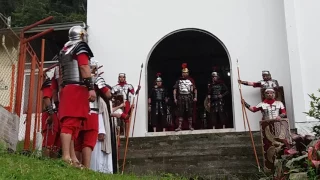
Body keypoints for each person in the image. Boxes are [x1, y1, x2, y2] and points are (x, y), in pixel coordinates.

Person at [58, 25, 96, 168]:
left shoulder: (65, 48)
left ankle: (73, 157)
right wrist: (91, 88)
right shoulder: (80, 47)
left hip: (67, 88)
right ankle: (66, 156)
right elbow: (84, 67)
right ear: (82, 36)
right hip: (77, 88)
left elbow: (61, 72)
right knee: (70, 123)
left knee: (74, 125)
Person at [75, 60, 111, 168]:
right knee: (88, 142)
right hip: (92, 113)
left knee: (77, 143)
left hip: (78, 113)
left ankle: (75, 168)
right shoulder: (97, 79)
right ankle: (86, 168)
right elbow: (108, 95)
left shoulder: (77, 78)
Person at [41, 69, 60, 158]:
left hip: (59, 114)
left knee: (56, 145)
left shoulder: (59, 83)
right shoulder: (49, 82)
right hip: (50, 114)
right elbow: (46, 98)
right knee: (48, 142)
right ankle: (45, 163)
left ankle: (53, 166)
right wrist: (51, 114)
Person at [173, 63, 197, 131]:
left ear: (188, 73)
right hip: (181, 97)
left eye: (186, 73)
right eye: (183, 73)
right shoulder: (179, 81)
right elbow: (175, 89)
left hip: (189, 97)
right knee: (180, 112)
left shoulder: (191, 80)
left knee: (189, 112)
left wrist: (195, 97)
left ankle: (190, 126)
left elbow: (195, 89)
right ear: (182, 73)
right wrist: (175, 98)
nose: (185, 74)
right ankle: (180, 126)